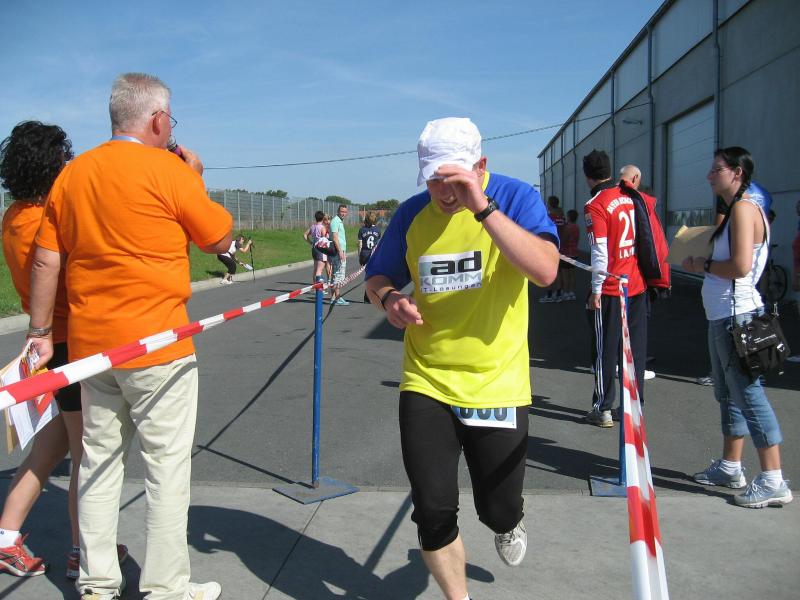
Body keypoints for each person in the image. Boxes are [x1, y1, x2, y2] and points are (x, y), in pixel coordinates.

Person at [27, 73, 232, 600]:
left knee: (98, 462)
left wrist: (41, 332)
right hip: (159, 344)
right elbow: (219, 238)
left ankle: (97, 582)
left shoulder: (73, 174)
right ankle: (166, 586)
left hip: (93, 350)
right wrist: (195, 178)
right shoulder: (170, 170)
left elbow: (47, 258)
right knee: (166, 468)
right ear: (158, 120)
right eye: (170, 120)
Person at [365, 117, 559, 600]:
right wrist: (389, 299)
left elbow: (545, 271)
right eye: (434, 181)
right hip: (427, 376)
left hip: (497, 380)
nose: (445, 193)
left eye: (455, 180)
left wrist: (483, 209)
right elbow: (376, 278)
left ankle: (508, 523)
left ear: (480, 166)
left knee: (497, 507)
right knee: (432, 510)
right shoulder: (412, 214)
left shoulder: (514, 197)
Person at [0, 122, 128, 579]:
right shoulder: (47, 219)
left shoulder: (13, 216)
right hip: (71, 343)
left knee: (53, 446)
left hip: (49, 346)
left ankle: (6, 537)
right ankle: (84, 551)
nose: (67, 164)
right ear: (50, 166)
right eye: (62, 158)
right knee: (88, 453)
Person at [682, 147, 792, 508]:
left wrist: (702, 265)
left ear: (737, 173)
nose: (709, 176)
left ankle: (773, 479)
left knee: (749, 395)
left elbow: (741, 266)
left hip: (736, 318)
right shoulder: (737, 210)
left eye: (717, 170)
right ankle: (731, 466)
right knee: (728, 395)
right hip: (724, 316)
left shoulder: (744, 209)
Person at [583, 150, 648, 428]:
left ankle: (603, 407)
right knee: (634, 349)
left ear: (587, 176)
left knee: (604, 349)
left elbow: (599, 251)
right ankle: (633, 403)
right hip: (636, 283)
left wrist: (595, 289)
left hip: (611, 287)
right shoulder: (633, 197)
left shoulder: (595, 204)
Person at [539, 196, 566, 303]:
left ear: (550, 204)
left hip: (550, 246)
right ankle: (559, 293)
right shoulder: (562, 216)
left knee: (549, 270)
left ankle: (549, 295)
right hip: (561, 245)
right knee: (559, 271)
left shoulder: (549, 217)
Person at [357, 211, 381, 302]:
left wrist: (360, 256)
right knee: (374, 276)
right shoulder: (377, 230)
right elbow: (379, 244)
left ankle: (368, 295)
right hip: (374, 255)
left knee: (368, 275)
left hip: (364, 254)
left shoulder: (362, 230)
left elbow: (360, 244)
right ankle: (369, 295)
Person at [304, 210, 331, 287]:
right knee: (319, 270)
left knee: (316, 268)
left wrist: (310, 242)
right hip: (321, 250)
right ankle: (318, 289)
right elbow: (324, 239)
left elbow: (305, 235)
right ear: (322, 218)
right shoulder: (322, 228)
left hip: (314, 249)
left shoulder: (313, 226)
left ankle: (315, 285)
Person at [329, 204, 349, 305]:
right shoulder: (335, 221)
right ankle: (336, 298)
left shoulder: (339, 221)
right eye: (342, 211)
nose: (343, 214)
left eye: (345, 212)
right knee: (338, 274)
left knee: (338, 274)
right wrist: (340, 251)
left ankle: (334, 297)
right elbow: (335, 237)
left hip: (341, 250)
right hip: (337, 251)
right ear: (338, 211)